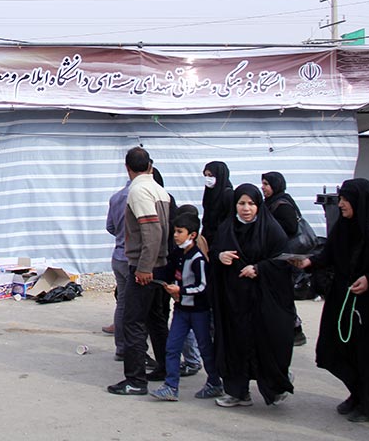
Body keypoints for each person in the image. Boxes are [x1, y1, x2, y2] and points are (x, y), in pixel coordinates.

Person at [292, 179, 369, 423]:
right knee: (340, 349)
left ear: (360, 201)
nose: (341, 204)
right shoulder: (344, 226)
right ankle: (356, 394)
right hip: (346, 300)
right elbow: (330, 255)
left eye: (345, 200)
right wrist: (309, 263)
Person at [211, 183, 295, 408]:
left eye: (251, 204)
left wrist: (259, 268)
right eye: (241, 203)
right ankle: (237, 392)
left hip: (263, 300)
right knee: (234, 344)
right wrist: (220, 256)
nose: (246, 209)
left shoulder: (271, 229)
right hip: (234, 300)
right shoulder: (226, 228)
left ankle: (275, 387)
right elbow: (213, 252)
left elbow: (283, 261)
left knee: (267, 344)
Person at [107, 147, 170, 396]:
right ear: (150, 166)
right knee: (156, 320)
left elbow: (151, 231)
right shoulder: (159, 189)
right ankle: (165, 367)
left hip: (145, 266)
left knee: (133, 321)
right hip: (160, 264)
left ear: (128, 168)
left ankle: (135, 380)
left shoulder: (138, 190)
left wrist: (144, 267)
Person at [149, 211, 223, 401]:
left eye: (179, 232)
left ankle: (214, 382)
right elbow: (168, 272)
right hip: (181, 311)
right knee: (172, 347)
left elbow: (202, 286)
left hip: (198, 312)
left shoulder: (197, 259)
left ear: (192, 235)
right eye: (174, 231)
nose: (175, 235)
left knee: (205, 348)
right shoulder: (177, 254)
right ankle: (171, 386)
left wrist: (180, 291)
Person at [261, 171, 307, 346]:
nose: (263, 187)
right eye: (263, 183)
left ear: (276, 184)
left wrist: (270, 227)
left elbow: (291, 226)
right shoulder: (271, 203)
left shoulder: (282, 204)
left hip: (284, 257)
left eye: (266, 184)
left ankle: (295, 330)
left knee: (282, 294)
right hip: (276, 255)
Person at [104, 178, 131, 360]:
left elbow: (110, 227)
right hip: (134, 258)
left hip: (119, 255)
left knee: (122, 303)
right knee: (136, 307)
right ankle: (135, 351)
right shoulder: (144, 195)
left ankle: (121, 348)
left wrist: (122, 236)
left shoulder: (116, 198)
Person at [201, 161, 233, 246]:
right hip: (208, 237)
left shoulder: (228, 194)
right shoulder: (209, 192)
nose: (207, 178)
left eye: (211, 175)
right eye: (206, 175)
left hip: (222, 240)